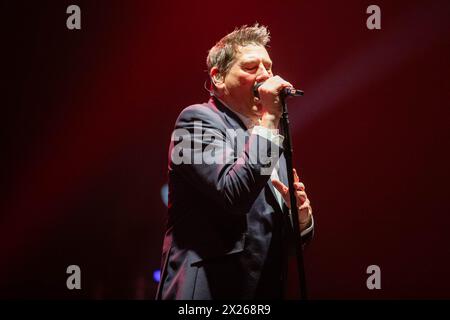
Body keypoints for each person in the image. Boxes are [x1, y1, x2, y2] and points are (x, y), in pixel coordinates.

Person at [156, 24, 314, 300]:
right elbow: (233, 193)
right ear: (218, 77)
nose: (265, 75)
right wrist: (269, 120)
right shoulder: (196, 122)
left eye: (269, 66)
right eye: (252, 67)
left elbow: (271, 242)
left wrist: (300, 221)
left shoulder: (267, 136)